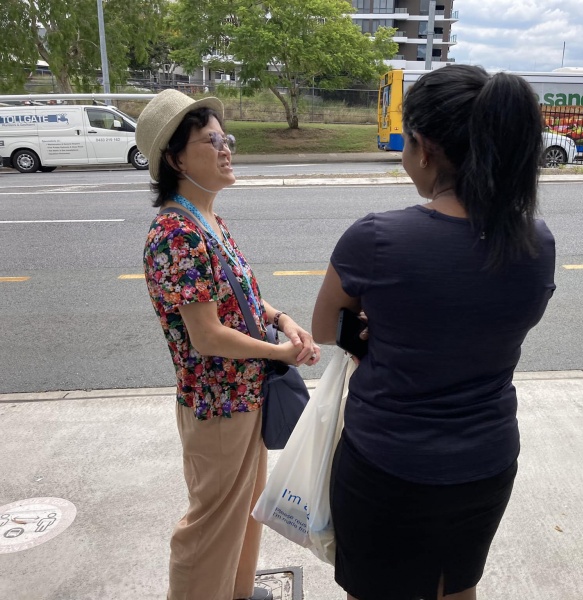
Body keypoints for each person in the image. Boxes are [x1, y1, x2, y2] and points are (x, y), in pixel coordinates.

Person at [312, 64, 557, 600]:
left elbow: (325, 327)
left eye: (405, 142)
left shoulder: (377, 238)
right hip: (486, 463)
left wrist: (378, 326)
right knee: (457, 590)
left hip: (386, 463)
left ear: (424, 149)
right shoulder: (536, 243)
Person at [137, 89, 320, 600]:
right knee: (210, 526)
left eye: (227, 139)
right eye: (211, 141)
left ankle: (237, 593)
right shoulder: (176, 233)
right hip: (217, 404)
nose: (226, 150)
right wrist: (280, 353)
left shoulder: (209, 222)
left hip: (244, 396)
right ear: (176, 159)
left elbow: (242, 299)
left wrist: (282, 320)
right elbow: (207, 334)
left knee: (245, 513)